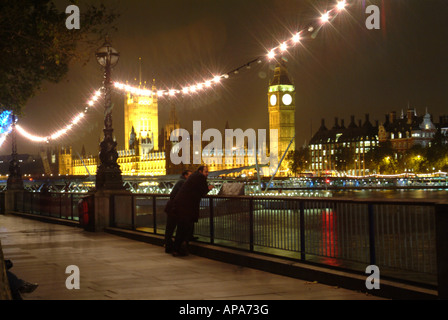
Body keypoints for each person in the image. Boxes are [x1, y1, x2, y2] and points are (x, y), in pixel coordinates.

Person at [171, 165, 213, 256]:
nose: (207, 174)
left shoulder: (194, 177)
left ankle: (177, 249)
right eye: (206, 172)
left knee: (181, 228)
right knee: (184, 228)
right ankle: (178, 249)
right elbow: (202, 192)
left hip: (181, 206)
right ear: (200, 172)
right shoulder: (200, 177)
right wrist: (209, 188)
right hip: (186, 207)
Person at [164, 170, 192, 253]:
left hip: (172, 208)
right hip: (175, 209)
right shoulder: (183, 183)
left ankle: (168, 247)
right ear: (185, 175)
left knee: (170, 229)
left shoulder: (181, 182)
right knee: (175, 229)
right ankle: (175, 248)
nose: (191, 178)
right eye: (190, 176)